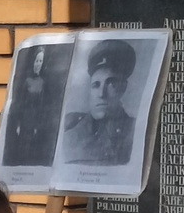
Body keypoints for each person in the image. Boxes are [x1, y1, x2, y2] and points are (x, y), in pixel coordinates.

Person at [59, 38, 138, 167]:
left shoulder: (136, 132)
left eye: (111, 83)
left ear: (123, 87)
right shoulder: (70, 128)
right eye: (96, 85)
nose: (101, 94)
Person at [0, 41, 71, 168]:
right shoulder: (26, 81)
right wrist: (19, 124)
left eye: (40, 62)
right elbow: (19, 103)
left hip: (39, 120)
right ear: (32, 63)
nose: (38, 65)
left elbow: (45, 105)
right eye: (37, 61)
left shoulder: (44, 82)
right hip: (25, 120)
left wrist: (40, 122)